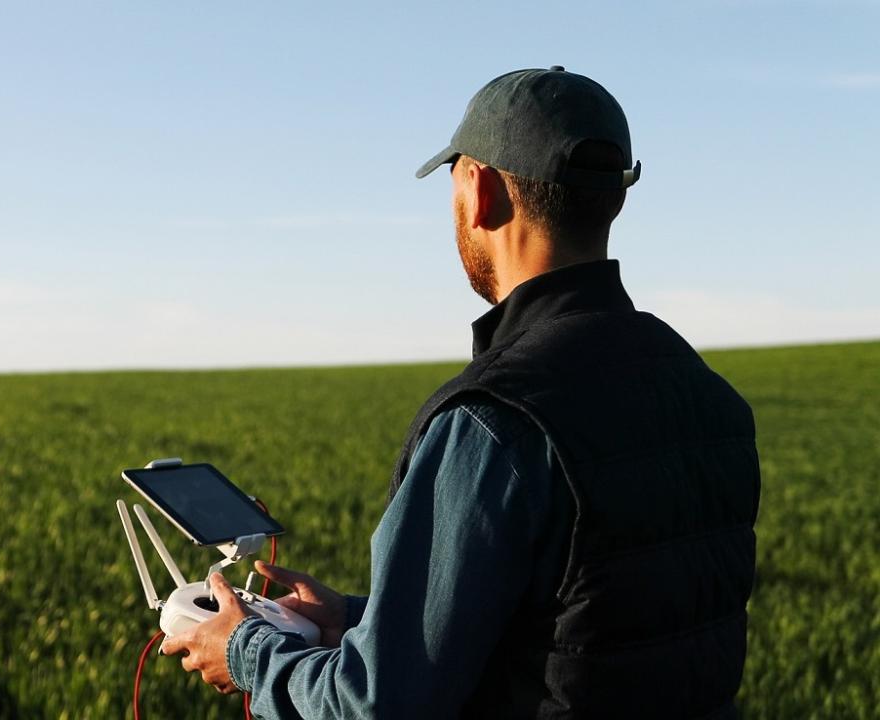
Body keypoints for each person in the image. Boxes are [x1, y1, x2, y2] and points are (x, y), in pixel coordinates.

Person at [163, 66, 761, 718]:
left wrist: (249, 652)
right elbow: (585, 629)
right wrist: (361, 619)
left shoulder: (495, 425)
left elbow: (380, 706)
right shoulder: (711, 399)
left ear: (479, 192)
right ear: (612, 199)